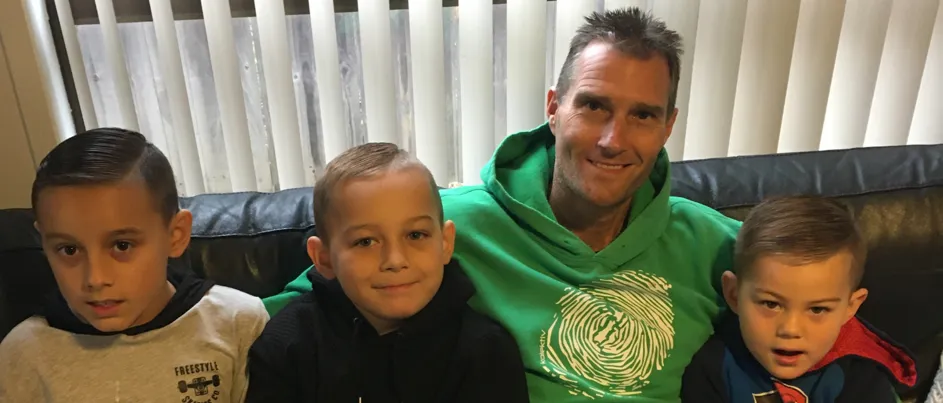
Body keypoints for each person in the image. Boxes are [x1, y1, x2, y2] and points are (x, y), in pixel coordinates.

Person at [263, 7, 741, 401]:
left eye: (643, 115)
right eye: (594, 106)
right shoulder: (434, 226)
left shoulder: (716, 244)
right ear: (554, 108)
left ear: (668, 126)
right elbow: (299, 308)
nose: (613, 140)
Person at [244, 143, 529, 402]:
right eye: (365, 242)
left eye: (415, 235)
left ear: (445, 243)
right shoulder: (286, 345)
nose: (395, 260)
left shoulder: (487, 353)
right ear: (324, 258)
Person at [0, 128, 269, 402]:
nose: (95, 278)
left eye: (122, 245)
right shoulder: (22, 354)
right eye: (69, 250)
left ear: (176, 235)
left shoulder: (238, 323)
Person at [681, 196, 917, 402]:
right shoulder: (712, 369)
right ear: (734, 295)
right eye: (771, 304)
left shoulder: (862, 374)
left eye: (817, 309)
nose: (790, 329)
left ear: (850, 307)